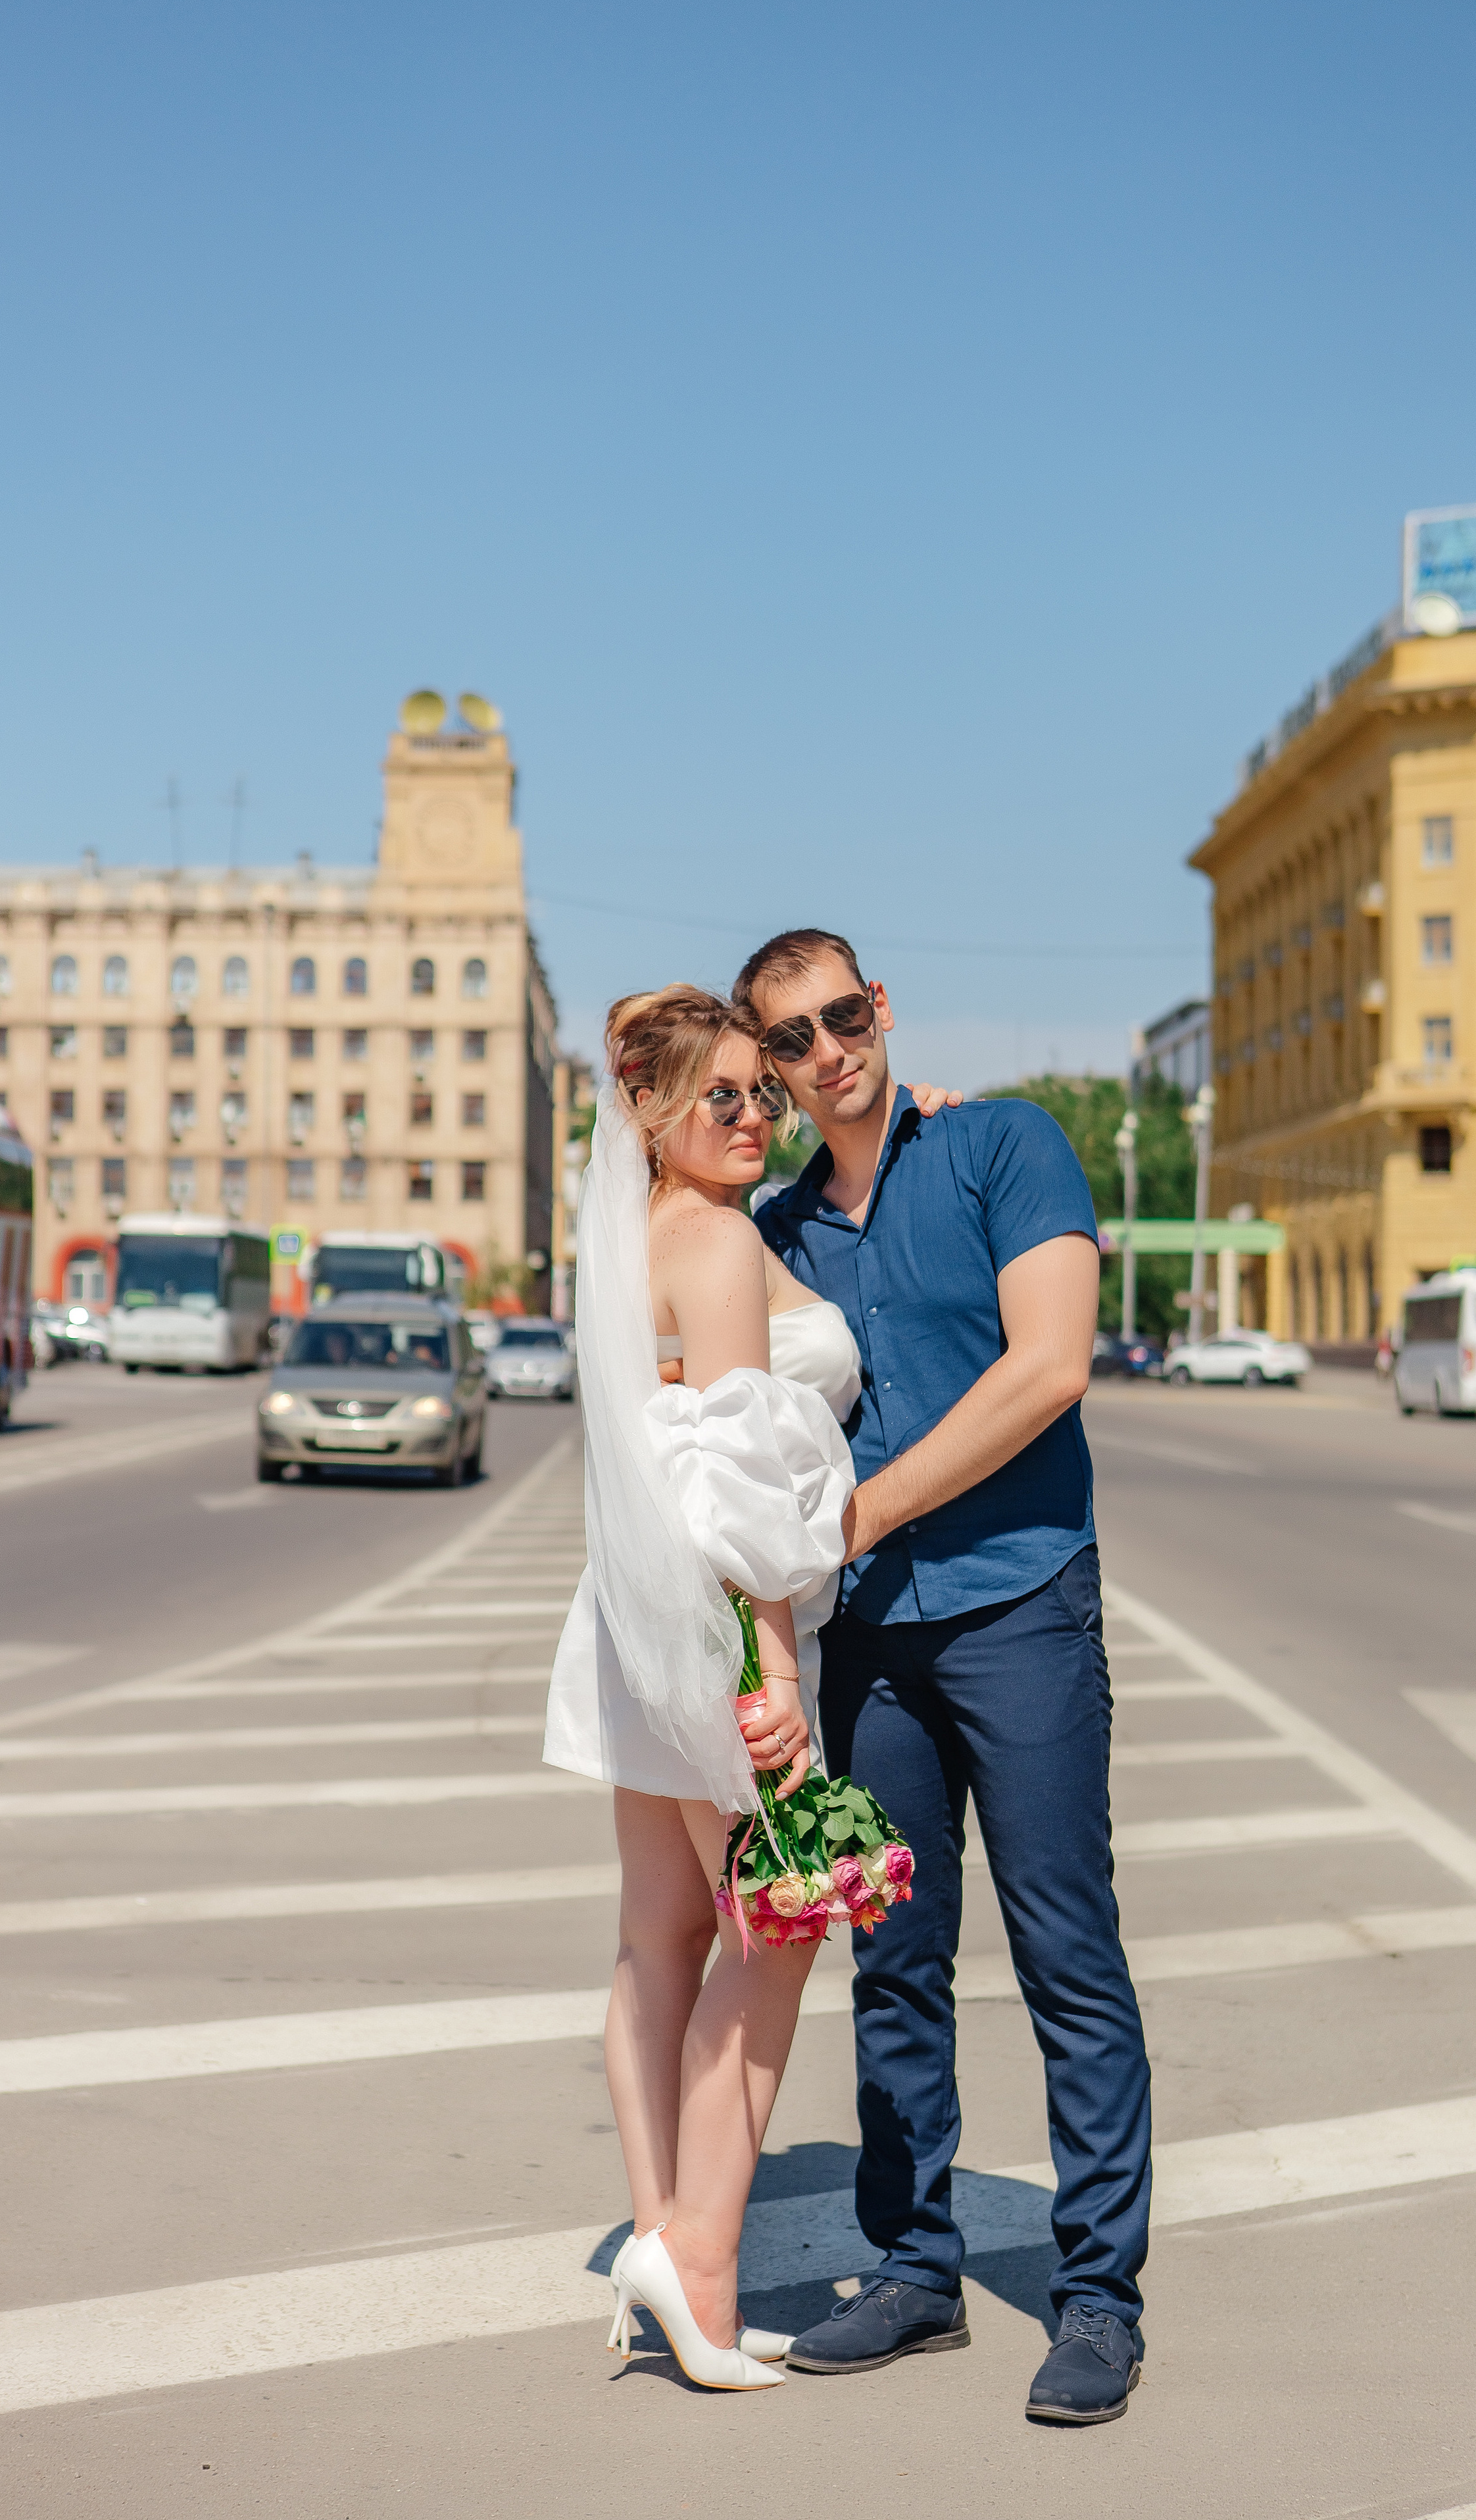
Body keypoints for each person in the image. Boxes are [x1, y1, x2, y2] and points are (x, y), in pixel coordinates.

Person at [735, 928, 1152, 2427]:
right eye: (790, 1037)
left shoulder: (1000, 1147)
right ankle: (912, 2266)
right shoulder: (775, 1232)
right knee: (894, 1961)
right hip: (872, 1645)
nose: (826, 1047)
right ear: (771, 1068)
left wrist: (869, 1507)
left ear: (881, 1009)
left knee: (1065, 1956)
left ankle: (1096, 2300)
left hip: (1022, 1604)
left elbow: (1049, 1367)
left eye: (842, 1015)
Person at [543, 986, 952, 2393]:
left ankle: (659, 2239)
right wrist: (773, 1666)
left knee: (658, 1937)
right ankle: (696, 2257)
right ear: (651, 1112)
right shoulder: (712, 1239)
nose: (750, 1114)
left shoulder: (625, 1237)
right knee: (779, 1924)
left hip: (631, 1620)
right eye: (719, 1094)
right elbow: (730, 1485)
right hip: (716, 1625)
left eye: (758, 1094)